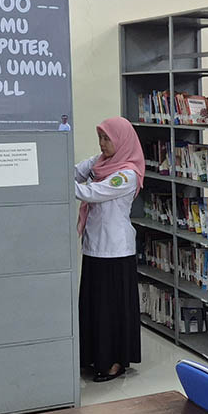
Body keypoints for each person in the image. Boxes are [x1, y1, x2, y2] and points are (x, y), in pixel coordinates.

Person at [75, 117, 144, 382]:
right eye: (100, 138)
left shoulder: (127, 174)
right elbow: (76, 171)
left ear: (121, 140)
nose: (102, 144)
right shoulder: (100, 162)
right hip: (94, 247)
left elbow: (93, 192)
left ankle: (114, 361)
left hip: (116, 251)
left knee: (111, 310)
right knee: (94, 307)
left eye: (107, 138)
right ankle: (93, 356)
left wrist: (56, 183)